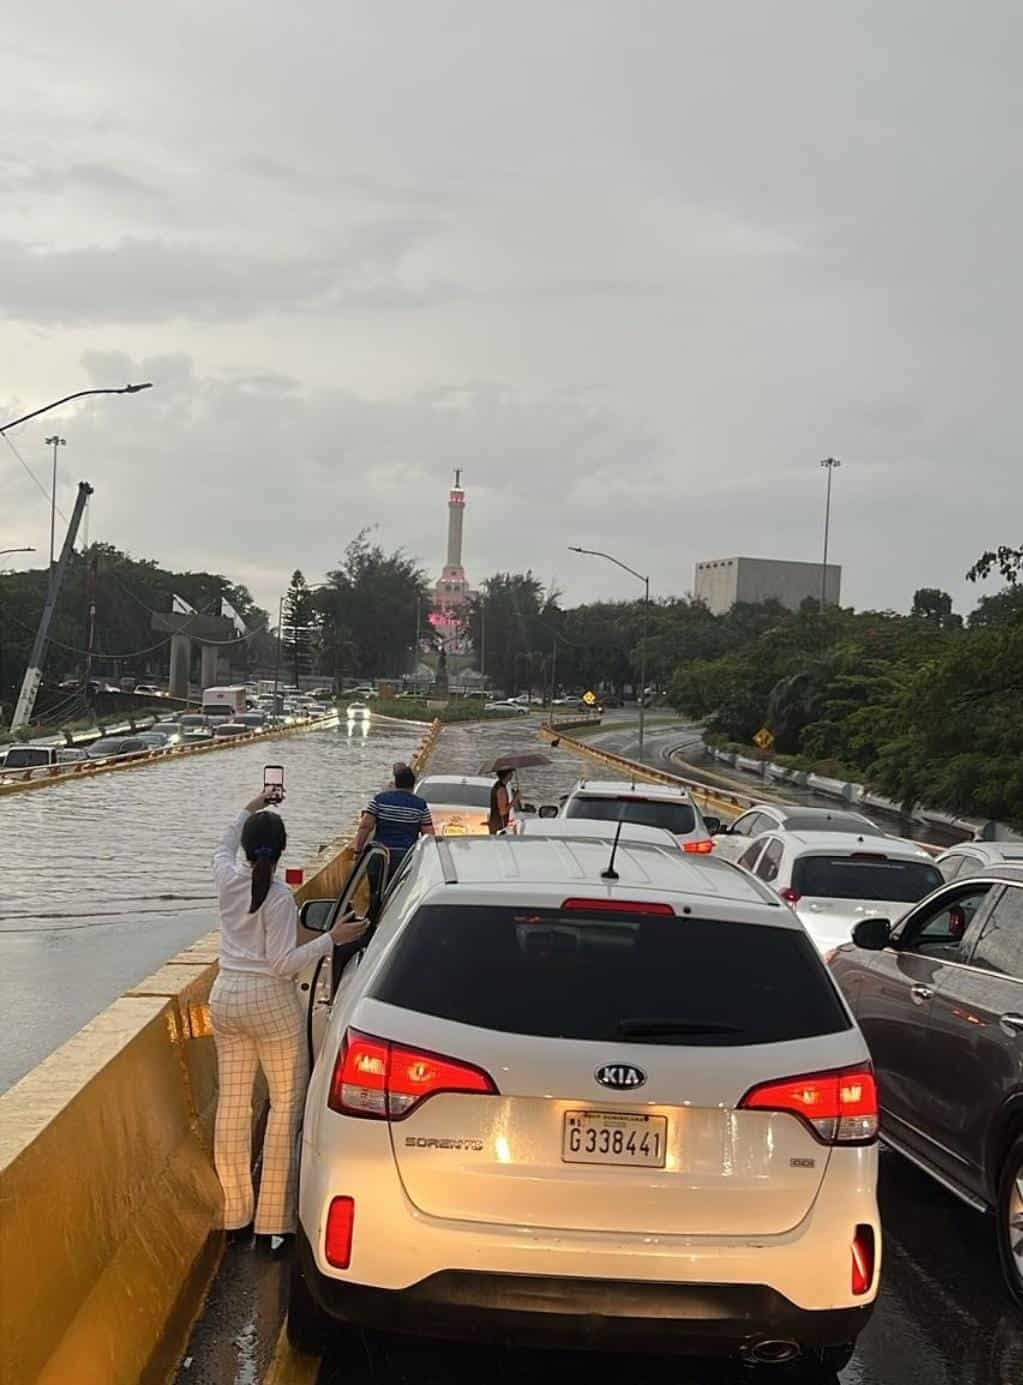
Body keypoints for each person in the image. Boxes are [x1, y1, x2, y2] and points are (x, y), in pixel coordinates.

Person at [210, 789, 366, 1249]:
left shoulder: (225, 876)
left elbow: (224, 838)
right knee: (285, 1107)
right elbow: (282, 964)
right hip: (270, 1005)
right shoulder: (279, 897)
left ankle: (235, 1214)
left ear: (246, 848)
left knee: (232, 1106)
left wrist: (256, 802)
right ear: (280, 852)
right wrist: (332, 938)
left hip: (225, 997)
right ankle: (273, 1222)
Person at [353, 762, 434, 884]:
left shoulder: (379, 800)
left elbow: (365, 826)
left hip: (379, 853)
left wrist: (358, 851)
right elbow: (428, 835)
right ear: (413, 785)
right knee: (398, 890)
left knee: (375, 888)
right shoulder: (420, 805)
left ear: (396, 783)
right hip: (405, 856)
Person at [488, 767, 514, 834]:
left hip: (495, 824)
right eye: (511, 772)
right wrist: (515, 800)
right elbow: (503, 811)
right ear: (508, 774)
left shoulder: (497, 785)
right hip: (499, 825)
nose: (512, 774)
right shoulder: (501, 789)